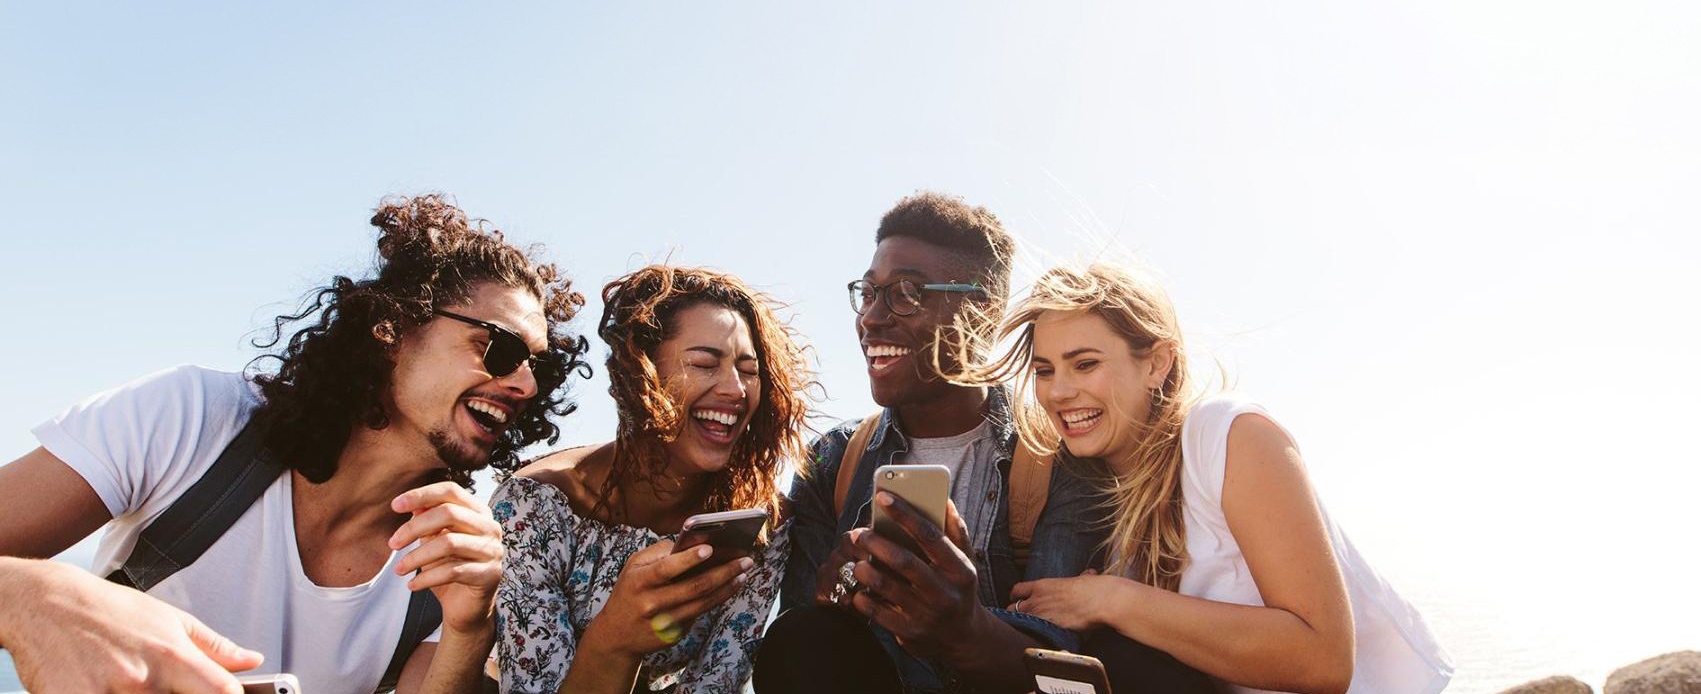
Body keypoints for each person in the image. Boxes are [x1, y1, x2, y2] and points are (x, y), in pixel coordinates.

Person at [0, 194, 588, 693]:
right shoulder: (190, 419)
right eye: (501, 348)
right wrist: (39, 596)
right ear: (394, 330)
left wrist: (469, 629)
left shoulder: (454, 557)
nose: (526, 383)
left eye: (542, 368)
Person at [982, 263, 1454, 694]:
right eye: (1045, 371)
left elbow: (1324, 661)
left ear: (1156, 363)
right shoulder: (1089, 493)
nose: (1059, 392)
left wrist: (1112, 600)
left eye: (1085, 364)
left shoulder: (1227, 434)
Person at [754, 192, 1110, 694]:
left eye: (907, 293)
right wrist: (832, 602)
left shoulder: (1060, 456)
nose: (872, 318)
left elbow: (1067, 667)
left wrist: (965, 630)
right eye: (869, 292)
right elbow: (794, 650)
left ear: (983, 312)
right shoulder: (834, 460)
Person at [491, 265, 812, 694]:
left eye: (749, 371)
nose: (735, 389)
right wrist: (615, 640)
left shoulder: (760, 522)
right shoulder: (534, 505)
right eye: (704, 363)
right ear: (637, 374)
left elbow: (716, 681)